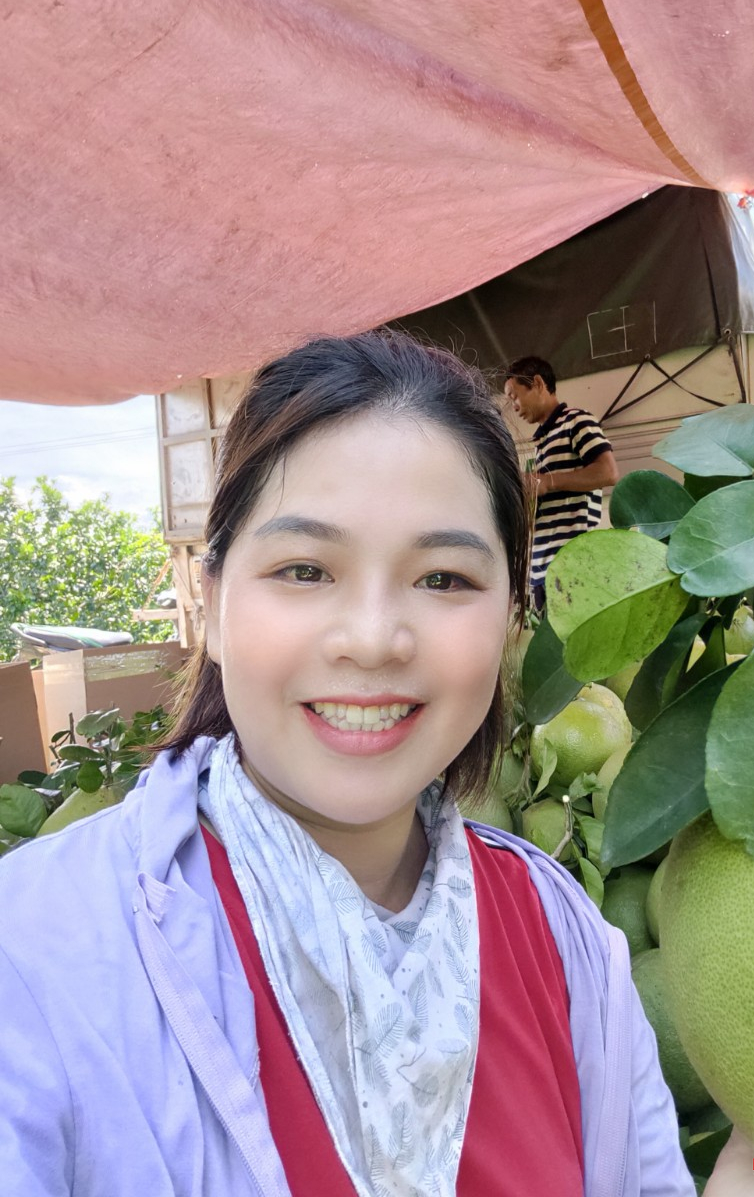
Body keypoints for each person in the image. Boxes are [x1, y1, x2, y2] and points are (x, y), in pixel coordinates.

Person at [0, 330, 694, 1197]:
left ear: (513, 620)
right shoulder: (32, 954)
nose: (372, 639)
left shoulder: (565, 938)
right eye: (304, 569)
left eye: (442, 579)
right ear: (211, 605)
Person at [503, 355, 618, 611]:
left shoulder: (577, 421)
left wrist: (547, 481)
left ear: (537, 383)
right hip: (542, 571)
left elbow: (607, 472)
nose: (514, 407)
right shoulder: (542, 443)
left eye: (514, 396)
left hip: (572, 568)